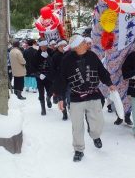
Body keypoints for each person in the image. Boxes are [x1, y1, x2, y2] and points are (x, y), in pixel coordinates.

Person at [56, 34, 116, 162]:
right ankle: (78, 150)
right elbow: (61, 79)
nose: (86, 43)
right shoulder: (67, 59)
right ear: (77, 46)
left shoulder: (92, 56)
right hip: (76, 97)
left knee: (99, 122)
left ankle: (95, 135)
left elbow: (101, 71)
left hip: (93, 95)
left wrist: (109, 83)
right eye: (84, 42)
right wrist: (61, 97)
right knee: (77, 126)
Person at [50, 39, 69, 120]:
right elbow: (52, 69)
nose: (63, 47)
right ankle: (64, 113)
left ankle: (71, 108)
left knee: (69, 95)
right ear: (58, 47)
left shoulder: (69, 54)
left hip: (69, 79)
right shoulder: (55, 56)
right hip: (59, 80)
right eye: (61, 46)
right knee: (62, 97)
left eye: (65, 46)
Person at [34, 39, 53, 115]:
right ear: (40, 46)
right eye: (42, 47)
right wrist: (38, 74)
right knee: (41, 92)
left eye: (45, 46)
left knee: (50, 91)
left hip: (49, 76)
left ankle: (48, 98)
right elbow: (32, 66)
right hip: (40, 77)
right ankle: (43, 108)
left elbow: (54, 64)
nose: (44, 48)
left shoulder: (51, 52)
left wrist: (48, 57)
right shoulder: (36, 54)